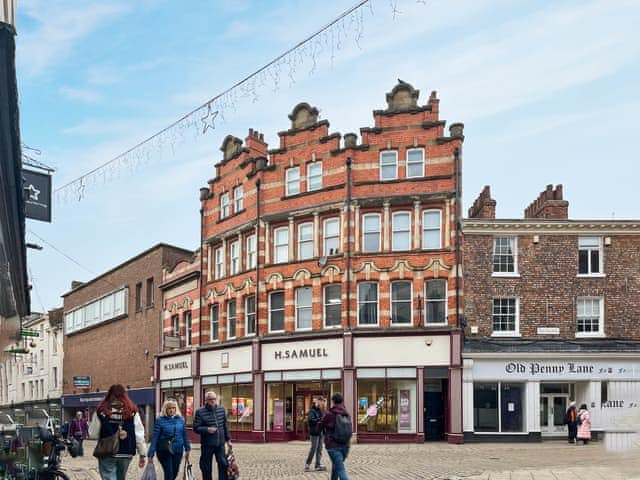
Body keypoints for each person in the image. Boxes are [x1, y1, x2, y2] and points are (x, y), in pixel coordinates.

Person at [95, 384, 147, 480]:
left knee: (108, 476)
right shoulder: (132, 411)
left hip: (107, 450)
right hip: (126, 451)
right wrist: (142, 453)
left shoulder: (102, 410)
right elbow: (139, 434)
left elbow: (93, 432)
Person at [148, 399, 191, 480]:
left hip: (178, 450)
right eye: (169, 408)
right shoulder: (160, 420)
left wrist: (187, 448)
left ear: (176, 409)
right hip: (164, 450)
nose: (171, 410)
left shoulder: (181, 420)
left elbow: (184, 435)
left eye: (173, 408)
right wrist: (151, 453)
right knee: (169, 473)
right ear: (165, 409)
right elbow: (155, 437)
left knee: (175, 472)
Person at [194, 391, 231, 480]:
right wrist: (207, 429)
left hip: (220, 444)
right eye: (211, 399)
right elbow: (196, 428)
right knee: (206, 466)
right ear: (206, 400)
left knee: (223, 464)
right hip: (207, 444)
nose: (213, 401)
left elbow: (225, 425)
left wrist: (228, 440)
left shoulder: (221, 410)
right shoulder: (200, 412)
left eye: (214, 399)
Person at [319, 393, 351, 480]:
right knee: (336, 466)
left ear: (333, 401)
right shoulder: (347, 413)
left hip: (333, 446)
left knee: (340, 469)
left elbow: (320, 425)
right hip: (346, 446)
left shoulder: (330, 414)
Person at [304, 396, 327, 472]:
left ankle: (318, 465)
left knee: (319, 449)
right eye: (322, 402)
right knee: (313, 448)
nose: (323, 403)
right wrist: (319, 419)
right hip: (314, 433)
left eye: (324, 402)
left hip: (320, 432)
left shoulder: (321, 410)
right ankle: (307, 464)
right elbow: (310, 421)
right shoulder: (312, 411)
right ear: (318, 401)